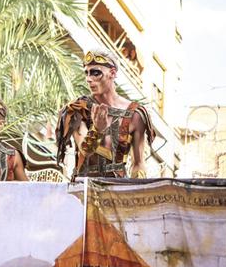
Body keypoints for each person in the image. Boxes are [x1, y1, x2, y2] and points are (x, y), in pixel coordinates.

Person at [56, 51, 155, 179]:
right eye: (87, 73)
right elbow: (85, 151)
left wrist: (135, 193)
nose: (89, 79)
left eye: (95, 73)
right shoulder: (79, 108)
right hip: (84, 189)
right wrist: (97, 130)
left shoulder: (135, 114)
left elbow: (138, 163)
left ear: (112, 73)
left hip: (119, 191)